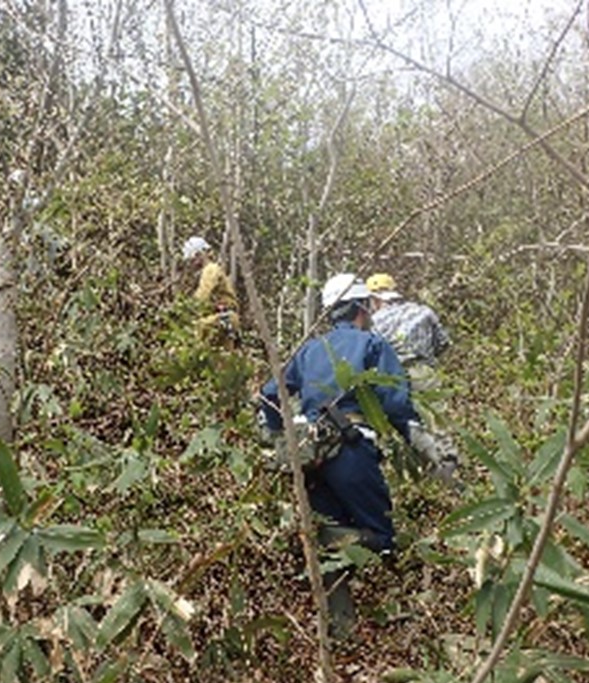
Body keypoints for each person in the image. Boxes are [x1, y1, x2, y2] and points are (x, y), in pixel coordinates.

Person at [257, 272, 419, 637]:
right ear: (363, 307)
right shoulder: (372, 346)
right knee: (382, 536)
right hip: (352, 450)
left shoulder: (309, 349)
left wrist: (280, 435)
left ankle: (339, 630)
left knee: (326, 536)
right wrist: (417, 440)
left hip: (311, 454)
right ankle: (399, 623)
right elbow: (396, 401)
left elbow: (269, 395)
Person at [366, 272, 459, 483]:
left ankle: (410, 474)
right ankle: (446, 469)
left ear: (374, 299)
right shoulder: (424, 312)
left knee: (401, 424)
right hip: (424, 372)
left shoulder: (374, 321)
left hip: (390, 377)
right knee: (437, 421)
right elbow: (443, 343)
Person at [181, 236, 240, 344]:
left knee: (196, 331)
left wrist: (187, 310)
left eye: (192, 259)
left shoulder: (210, 270)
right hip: (224, 318)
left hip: (224, 317)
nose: (192, 264)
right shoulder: (210, 270)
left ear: (198, 255)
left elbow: (203, 295)